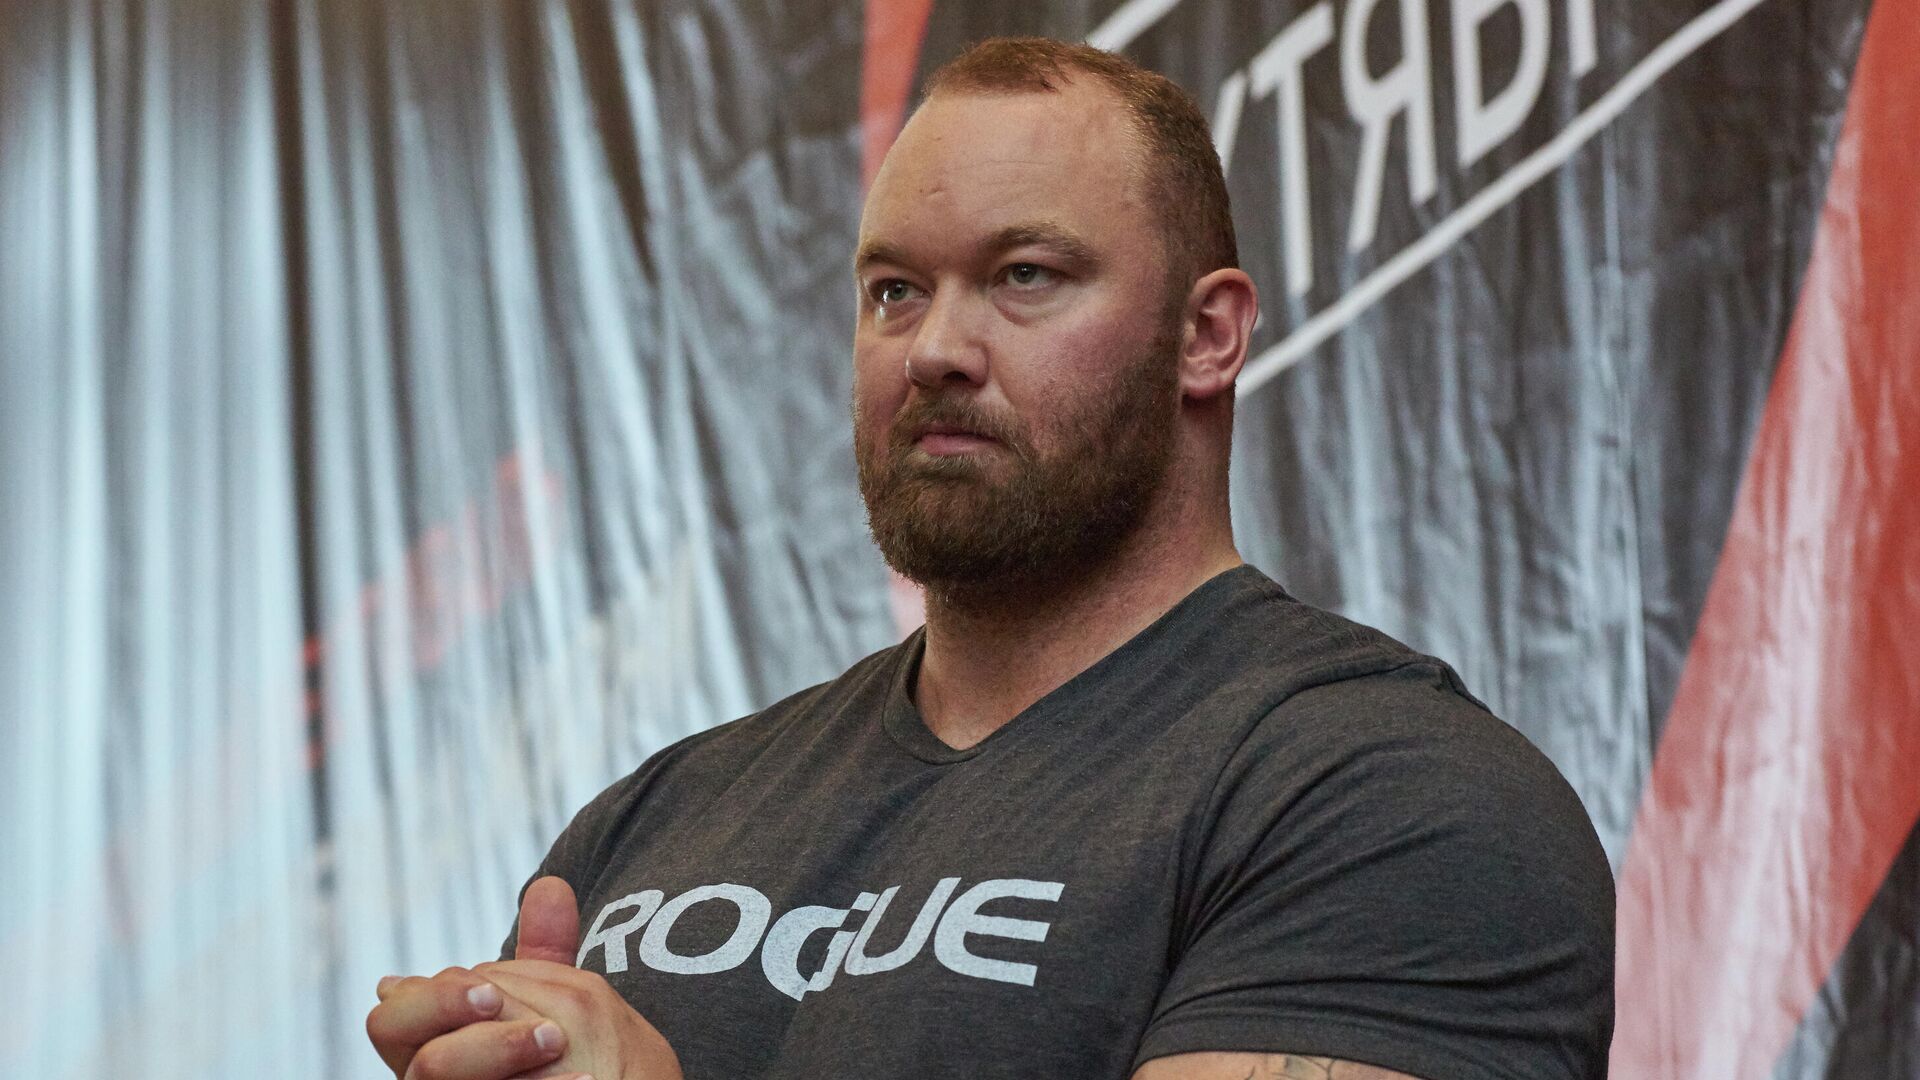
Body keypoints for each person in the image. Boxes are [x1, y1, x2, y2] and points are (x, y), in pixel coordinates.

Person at [366, 36, 1614, 1080]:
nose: (933, 351)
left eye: (1024, 276)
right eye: (894, 291)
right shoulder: (652, 822)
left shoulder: (1392, 801)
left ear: (1207, 335)